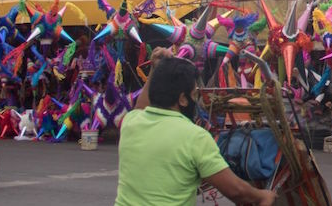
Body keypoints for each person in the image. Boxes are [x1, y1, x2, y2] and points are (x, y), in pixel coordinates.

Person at [115, 48, 276, 206]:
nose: (195, 100)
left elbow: (142, 106)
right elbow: (236, 191)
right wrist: (262, 195)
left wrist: (155, 70)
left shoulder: (131, 122)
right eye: (194, 95)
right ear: (183, 99)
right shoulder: (194, 136)